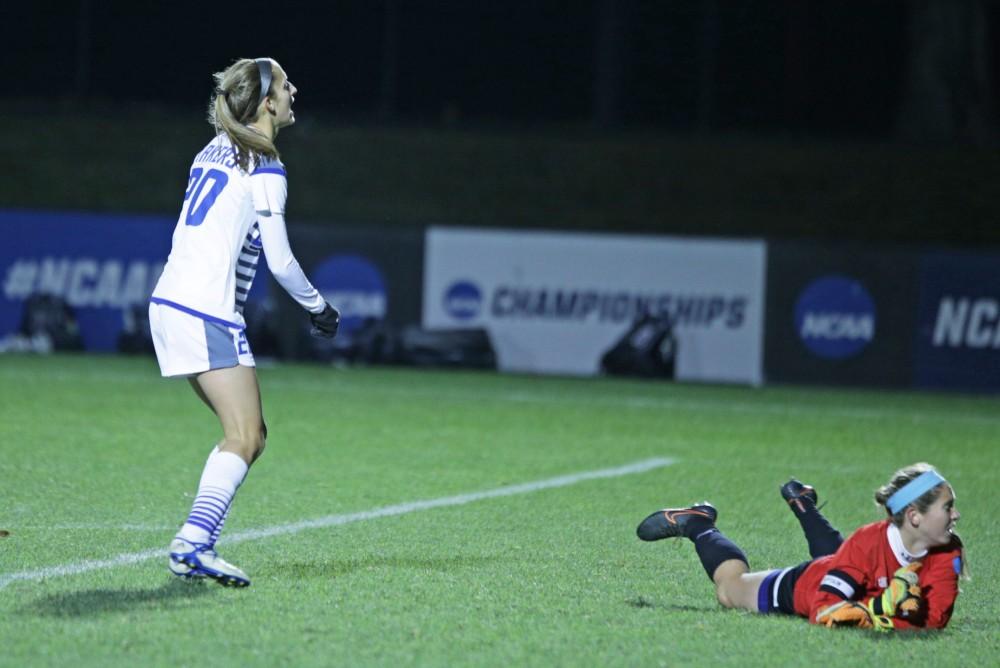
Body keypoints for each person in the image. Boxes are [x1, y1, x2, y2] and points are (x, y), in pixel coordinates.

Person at [148, 58, 340, 587]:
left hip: (170, 304)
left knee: (248, 434)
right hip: (204, 310)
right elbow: (280, 261)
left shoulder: (212, 149)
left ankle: (196, 542)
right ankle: (192, 543)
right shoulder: (266, 167)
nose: (293, 88)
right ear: (266, 103)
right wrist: (319, 308)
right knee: (245, 434)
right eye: (284, 84)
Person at [636, 463, 964, 630]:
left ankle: (803, 502)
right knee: (728, 591)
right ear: (914, 516)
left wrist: (882, 614)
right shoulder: (869, 542)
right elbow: (826, 609)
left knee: (843, 563)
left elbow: (934, 619)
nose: (956, 515)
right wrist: (879, 615)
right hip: (805, 588)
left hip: (842, 569)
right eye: (947, 508)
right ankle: (699, 523)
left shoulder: (948, 551)